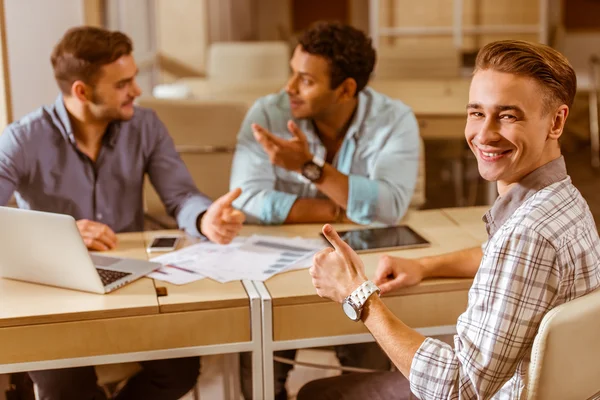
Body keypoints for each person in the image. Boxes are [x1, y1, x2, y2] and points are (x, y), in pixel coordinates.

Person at [300, 40, 600, 399]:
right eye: (476, 113)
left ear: (556, 121)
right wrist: (424, 266)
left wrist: (358, 295)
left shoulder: (527, 237)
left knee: (319, 393)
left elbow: (459, 389)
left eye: (508, 116)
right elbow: (498, 253)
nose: (484, 134)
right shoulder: (566, 201)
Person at [0, 26, 245, 400]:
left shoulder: (146, 126)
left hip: (130, 283)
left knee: (181, 369)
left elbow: (180, 196)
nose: (137, 90)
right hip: (54, 291)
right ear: (81, 91)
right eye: (123, 83)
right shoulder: (23, 138)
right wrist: (62, 231)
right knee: (65, 389)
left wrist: (204, 218)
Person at [230, 22, 420, 399]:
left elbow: (389, 207)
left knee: (368, 375)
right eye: (292, 73)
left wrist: (309, 168)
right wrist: (338, 205)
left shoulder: (394, 119)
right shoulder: (268, 113)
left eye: (305, 80)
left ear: (346, 89)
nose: (289, 88)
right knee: (259, 380)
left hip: (361, 268)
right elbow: (245, 198)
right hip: (277, 272)